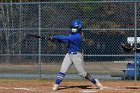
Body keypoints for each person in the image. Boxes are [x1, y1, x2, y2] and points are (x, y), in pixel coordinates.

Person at [49, 20, 103, 91]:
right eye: (72, 27)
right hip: (69, 55)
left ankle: (95, 82)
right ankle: (56, 85)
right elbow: (66, 41)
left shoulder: (78, 36)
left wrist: (54, 36)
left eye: (75, 27)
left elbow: (66, 38)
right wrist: (56, 40)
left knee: (82, 73)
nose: (73, 29)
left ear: (79, 28)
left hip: (77, 56)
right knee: (62, 70)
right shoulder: (71, 34)